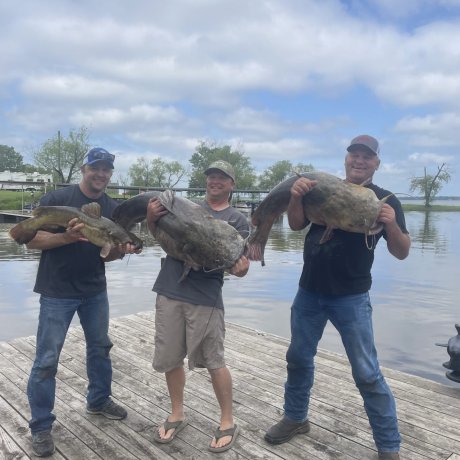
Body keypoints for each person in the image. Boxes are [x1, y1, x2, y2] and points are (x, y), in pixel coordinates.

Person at [264, 135, 411, 460]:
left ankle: (389, 447)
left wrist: (391, 225)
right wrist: (296, 198)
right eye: (354, 155)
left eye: (366, 157)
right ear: (346, 159)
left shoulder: (385, 199)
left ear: (376, 163)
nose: (359, 161)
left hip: (352, 298)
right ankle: (295, 417)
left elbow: (402, 252)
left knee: (367, 373)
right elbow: (296, 224)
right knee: (298, 359)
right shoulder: (321, 186)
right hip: (309, 292)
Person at [26, 147, 140, 457]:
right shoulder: (56, 201)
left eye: (107, 170)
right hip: (56, 291)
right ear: (84, 169)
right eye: (96, 168)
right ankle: (40, 425)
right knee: (47, 358)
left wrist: (121, 249)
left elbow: (110, 252)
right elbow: (32, 240)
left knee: (101, 349)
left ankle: (99, 400)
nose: (101, 174)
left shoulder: (113, 209)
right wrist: (66, 237)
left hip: (94, 291)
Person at [146, 160, 250, 453]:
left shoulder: (237, 220)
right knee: (170, 357)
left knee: (214, 359)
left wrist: (240, 269)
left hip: (206, 297)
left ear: (231, 184)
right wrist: (152, 219)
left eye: (222, 177)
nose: (215, 181)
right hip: (169, 290)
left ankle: (228, 420)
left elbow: (239, 265)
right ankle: (177, 413)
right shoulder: (184, 207)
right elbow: (163, 240)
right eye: (211, 176)